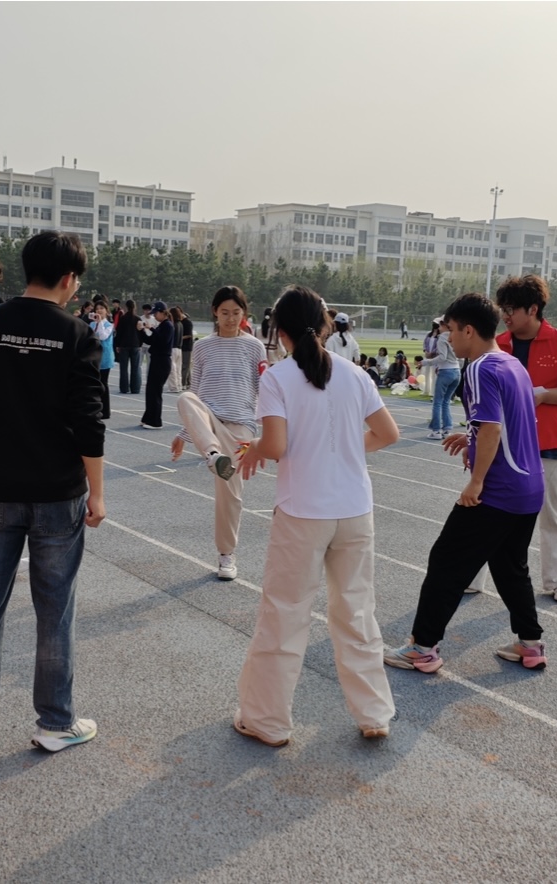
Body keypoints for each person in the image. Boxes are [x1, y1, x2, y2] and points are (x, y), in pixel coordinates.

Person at [0, 230, 105, 751]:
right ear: (69, 279)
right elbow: (89, 422)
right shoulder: (77, 334)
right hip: (58, 492)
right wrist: (97, 493)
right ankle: (55, 723)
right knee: (55, 612)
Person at [234, 285, 399, 747]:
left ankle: (267, 721)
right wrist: (345, 449)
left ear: (279, 331)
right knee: (356, 612)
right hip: (354, 510)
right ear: (325, 326)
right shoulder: (355, 373)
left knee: (285, 615)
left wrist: (253, 448)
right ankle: (374, 714)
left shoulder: (277, 378)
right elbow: (388, 433)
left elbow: (276, 445)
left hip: (303, 512)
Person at [384, 293, 548, 673]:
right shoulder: (512, 364)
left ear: (469, 331)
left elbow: (492, 429)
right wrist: (470, 438)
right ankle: (530, 644)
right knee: (510, 567)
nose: (449, 338)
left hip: (498, 491)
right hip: (529, 487)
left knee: (446, 562)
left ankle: (422, 648)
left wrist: (476, 482)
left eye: (452, 331)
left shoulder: (479, 368)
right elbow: (507, 423)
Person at [496, 274, 557, 605]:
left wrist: (544, 395)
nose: (505, 315)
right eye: (503, 309)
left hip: (548, 443)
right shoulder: (497, 344)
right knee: (490, 514)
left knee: (553, 515)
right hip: (502, 443)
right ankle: (473, 576)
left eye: (511, 309)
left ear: (533, 309)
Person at [171, 285, 266, 582]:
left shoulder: (255, 347)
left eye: (236, 313)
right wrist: (184, 435)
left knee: (230, 495)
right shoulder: (203, 347)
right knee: (186, 398)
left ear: (244, 313)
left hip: (241, 430)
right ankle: (213, 455)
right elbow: (197, 392)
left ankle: (227, 554)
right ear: (215, 312)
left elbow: (264, 391)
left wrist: (264, 437)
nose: (230, 318)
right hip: (210, 422)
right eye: (224, 312)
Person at [421, 316, 461, 439]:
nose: (438, 328)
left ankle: (436, 431)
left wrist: (426, 362)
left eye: (439, 325)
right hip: (456, 371)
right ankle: (447, 429)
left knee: (437, 402)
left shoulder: (442, 338)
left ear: (444, 325)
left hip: (446, 371)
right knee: (446, 401)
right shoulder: (456, 336)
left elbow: (442, 357)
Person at [140, 300, 173, 429]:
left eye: (156, 313)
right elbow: (150, 341)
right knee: (150, 390)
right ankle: (148, 417)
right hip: (156, 360)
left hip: (162, 361)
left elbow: (163, 341)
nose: (154, 316)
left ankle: (155, 421)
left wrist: (152, 328)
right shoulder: (161, 326)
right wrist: (141, 331)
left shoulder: (168, 326)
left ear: (162, 312)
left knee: (155, 391)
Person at [90, 300, 115, 418]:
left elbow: (102, 336)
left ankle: (105, 411)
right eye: (97, 308)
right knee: (95, 383)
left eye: (101, 308)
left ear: (106, 310)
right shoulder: (92, 324)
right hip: (94, 357)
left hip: (105, 357)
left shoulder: (109, 325)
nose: (99, 310)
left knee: (103, 383)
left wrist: (99, 322)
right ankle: (96, 408)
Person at [167, 306, 185, 392]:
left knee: (172, 369)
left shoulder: (173, 325)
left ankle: (173, 387)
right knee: (178, 369)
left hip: (173, 348)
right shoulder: (180, 324)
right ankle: (179, 385)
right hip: (179, 348)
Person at [179, 306, 195, 389]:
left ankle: (183, 383)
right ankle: (189, 382)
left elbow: (189, 335)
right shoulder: (180, 322)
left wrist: (179, 338)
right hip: (181, 346)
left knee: (185, 365)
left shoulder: (187, 322)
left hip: (187, 346)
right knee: (186, 365)